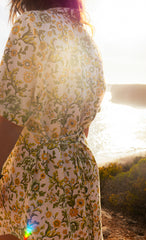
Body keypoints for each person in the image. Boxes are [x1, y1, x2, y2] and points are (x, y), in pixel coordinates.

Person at [0, 0, 106, 239]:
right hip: (81, 173)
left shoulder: (31, 25)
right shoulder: (85, 38)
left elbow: (11, 115)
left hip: (37, 174)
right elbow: (84, 126)